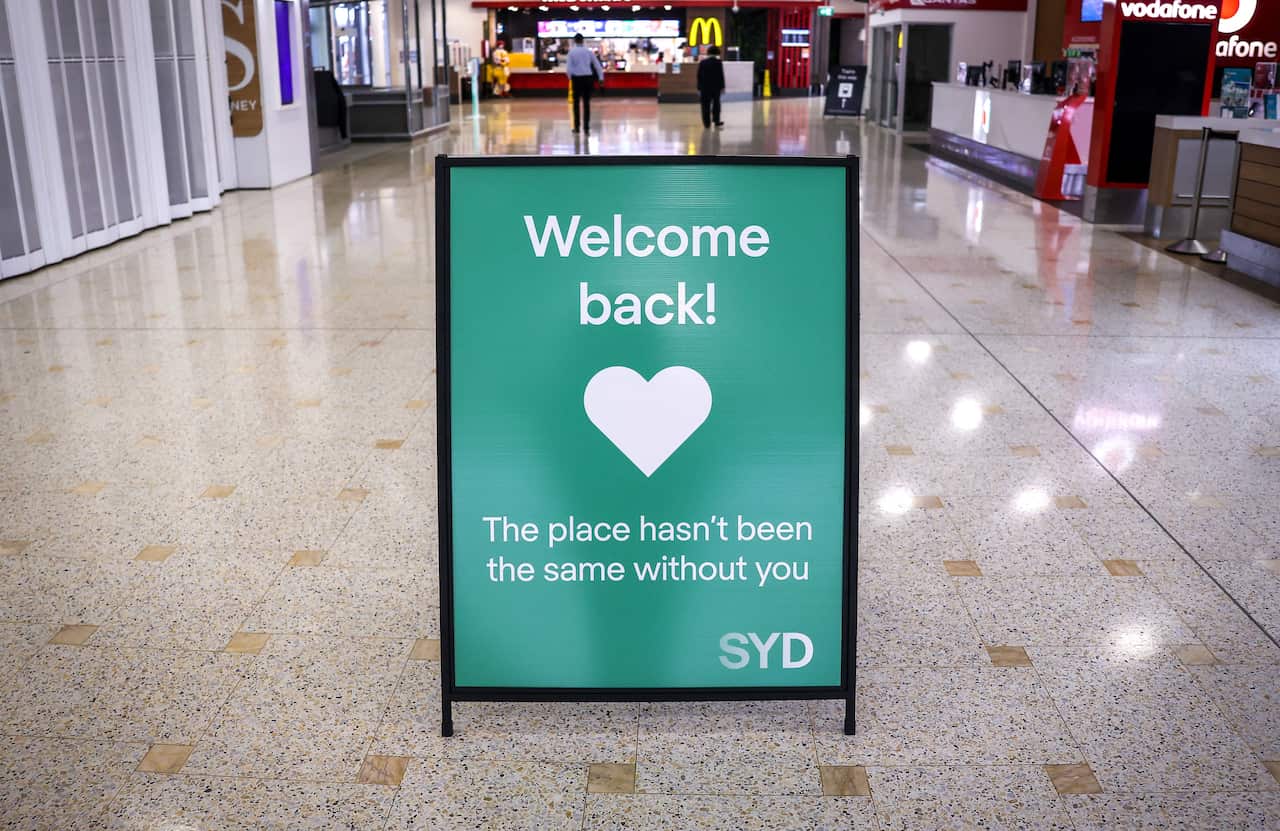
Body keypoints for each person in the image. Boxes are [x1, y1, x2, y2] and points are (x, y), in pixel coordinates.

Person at [565, 33, 604, 134]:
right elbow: (597, 65)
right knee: (587, 104)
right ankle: (586, 128)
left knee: (576, 104)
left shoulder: (571, 52)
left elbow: (568, 69)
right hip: (588, 79)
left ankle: (577, 128)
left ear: (574, 41)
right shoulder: (588, 52)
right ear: (583, 41)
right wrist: (601, 78)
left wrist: (570, 78)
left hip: (576, 79)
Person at [697, 45, 725, 128]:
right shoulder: (718, 62)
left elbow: (699, 76)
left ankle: (707, 123)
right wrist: (722, 86)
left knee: (705, 105)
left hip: (704, 88)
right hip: (716, 87)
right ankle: (716, 121)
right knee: (716, 104)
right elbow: (720, 75)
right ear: (717, 53)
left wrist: (699, 87)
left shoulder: (703, 62)